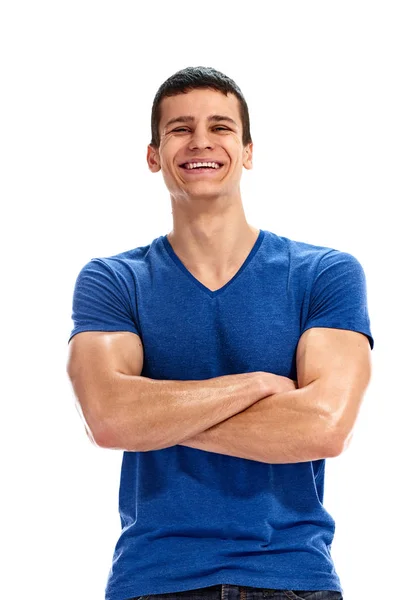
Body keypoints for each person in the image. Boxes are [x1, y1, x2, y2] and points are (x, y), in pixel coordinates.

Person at [67, 66, 374, 600]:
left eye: (221, 127)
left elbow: (325, 428)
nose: (201, 141)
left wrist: (154, 418)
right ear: (154, 155)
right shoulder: (114, 280)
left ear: (249, 151)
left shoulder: (323, 273)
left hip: (292, 577)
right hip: (154, 580)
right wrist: (257, 385)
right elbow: (108, 418)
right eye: (180, 128)